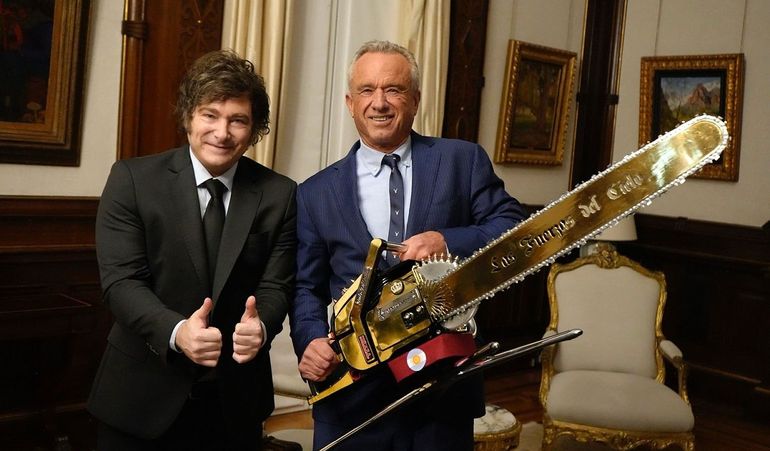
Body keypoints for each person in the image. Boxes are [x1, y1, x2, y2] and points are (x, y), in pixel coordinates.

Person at [290, 40, 528, 451]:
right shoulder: (314, 193)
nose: (379, 102)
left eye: (393, 90)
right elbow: (305, 287)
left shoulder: (462, 160)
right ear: (350, 102)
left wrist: (447, 240)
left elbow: (512, 227)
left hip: (443, 386)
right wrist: (310, 338)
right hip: (352, 391)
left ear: (415, 100)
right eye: (367, 90)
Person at [88, 50, 296, 451]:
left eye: (238, 120)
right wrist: (176, 330)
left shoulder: (279, 194)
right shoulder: (132, 179)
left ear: (254, 131)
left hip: (233, 404)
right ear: (188, 117)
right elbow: (120, 282)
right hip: (139, 398)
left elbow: (277, 286)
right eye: (210, 115)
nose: (223, 132)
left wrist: (263, 327)